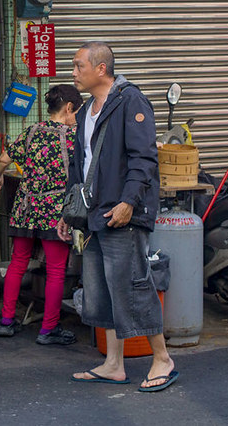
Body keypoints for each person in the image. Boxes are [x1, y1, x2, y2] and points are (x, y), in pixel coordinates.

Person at [58, 41, 177, 392]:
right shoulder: (84, 112)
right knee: (103, 291)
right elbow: (79, 166)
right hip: (95, 214)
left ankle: (163, 360)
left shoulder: (130, 101)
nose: (73, 72)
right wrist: (69, 211)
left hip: (123, 213)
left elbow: (144, 158)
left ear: (101, 69)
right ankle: (113, 364)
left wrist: (128, 202)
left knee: (134, 286)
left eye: (79, 66)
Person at [0, 84, 83, 345]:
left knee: (18, 262)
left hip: (26, 207)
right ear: (69, 108)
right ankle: (48, 329)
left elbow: (4, 159)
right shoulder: (75, 136)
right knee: (55, 270)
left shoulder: (31, 131)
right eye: (78, 112)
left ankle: (7, 321)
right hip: (55, 210)